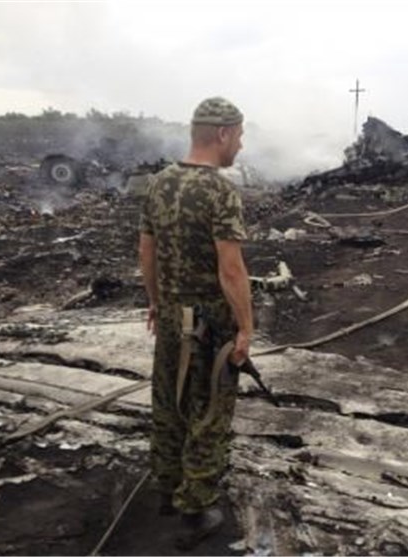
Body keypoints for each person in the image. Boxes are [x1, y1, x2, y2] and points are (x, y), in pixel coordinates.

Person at [138, 96, 253, 549]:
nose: (240, 146)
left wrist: (154, 301)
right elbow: (231, 269)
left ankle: (168, 489)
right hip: (207, 323)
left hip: (168, 316)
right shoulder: (221, 191)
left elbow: (145, 252)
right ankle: (196, 508)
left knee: (168, 402)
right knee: (208, 412)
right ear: (223, 134)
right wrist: (245, 327)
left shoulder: (159, 183)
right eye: (240, 136)